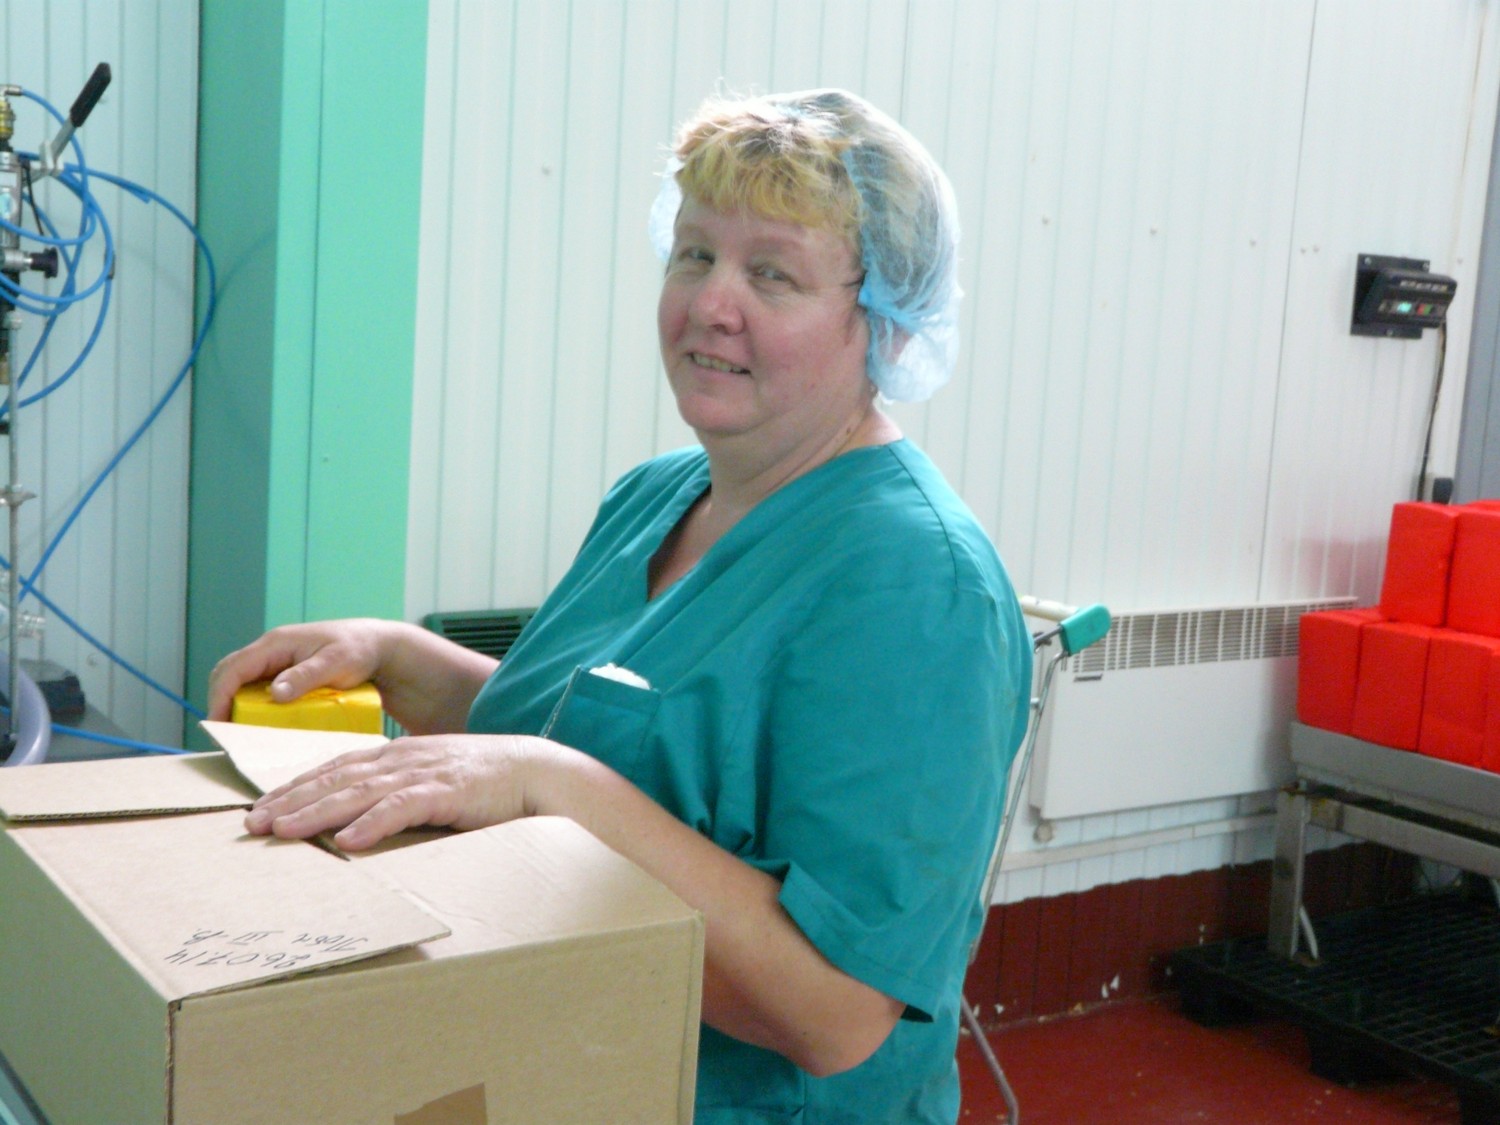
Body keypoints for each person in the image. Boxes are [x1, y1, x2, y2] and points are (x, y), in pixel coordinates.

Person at [208, 88, 1031, 1124]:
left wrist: (548, 785)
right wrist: (403, 658)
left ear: (884, 323)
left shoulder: (916, 582)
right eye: (695, 253)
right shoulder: (658, 495)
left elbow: (835, 1012)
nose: (710, 303)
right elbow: (604, 735)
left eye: (772, 273)